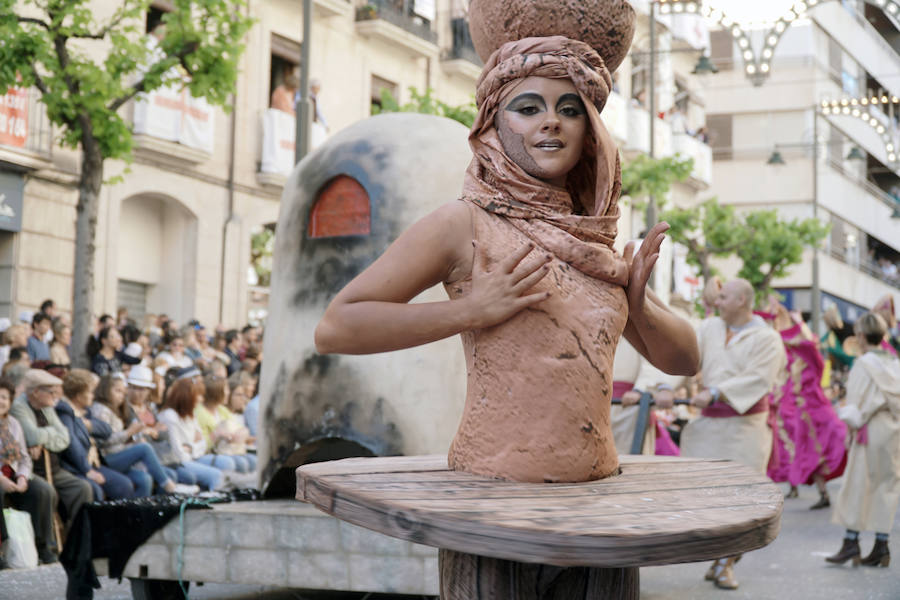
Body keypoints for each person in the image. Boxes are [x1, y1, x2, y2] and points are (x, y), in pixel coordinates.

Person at [315, 36, 699, 485]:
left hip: (597, 499)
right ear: (493, 124)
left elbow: (685, 362)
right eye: (529, 108)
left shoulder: (592, 240)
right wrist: (470, 312)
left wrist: (639, 304)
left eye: (570, 110)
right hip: (494, 492)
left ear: (590, 131)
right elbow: (336, 328)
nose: (552, 122)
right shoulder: (463, 224)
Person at [680, 279, 787, 590]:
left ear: (742, 300)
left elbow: (758, 379)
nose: (717, 300)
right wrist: (661, 386)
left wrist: (715, 393)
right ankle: (719, 555)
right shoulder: (709, 327)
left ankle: (728, 562)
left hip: (745, 430)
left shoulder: (768, 339)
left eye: (724, 296)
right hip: (707, 428)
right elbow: (684, 356)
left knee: (740, 501)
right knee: (706, 498)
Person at [826, 312, 900, 568]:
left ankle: (851, 542)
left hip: (868, 429)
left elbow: (855, 404)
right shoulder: (894, 361)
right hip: (892, 429)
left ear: (859, 335)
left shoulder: (864, 364)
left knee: (858, 483)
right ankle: (882, 544)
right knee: (887, 486)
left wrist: (849, 430)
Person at [766, 303, 847, 509]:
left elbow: (809, 344)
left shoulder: (812, 362)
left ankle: (848, 487)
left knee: (834, 446)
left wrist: (799, 322)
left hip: (818, 413)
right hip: (802, 416)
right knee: (807, 454)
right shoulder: (788, 364)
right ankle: (819, 493)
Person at [9, 369, 93, 536]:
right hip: (32, 469)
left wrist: (43, 439)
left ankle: (77, 539)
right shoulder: (20, 407)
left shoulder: (46, 406)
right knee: (47, 491)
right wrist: (46, 435)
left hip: (55, 469)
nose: (55, 396)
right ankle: (47, 544)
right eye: (51, 392)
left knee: (82, 488)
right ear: (35, 392)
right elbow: (32, 437)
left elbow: (65, 438)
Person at [90, 374, 187, 495]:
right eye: (117, 391)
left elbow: (132, 435)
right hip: (108, 458)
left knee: (145, 479)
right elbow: (104, 441)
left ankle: (151, 510)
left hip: (121, 452)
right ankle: (168, 486)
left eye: (123, 392)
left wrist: (135, 436)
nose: (121, 395)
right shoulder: (100, 409)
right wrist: (129, 432)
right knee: (144, 448)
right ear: (105, 390)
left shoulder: (117, 408)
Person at [0, 377, 57, 565]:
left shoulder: (14, 424)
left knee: (43, 489)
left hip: (15, 475)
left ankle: (43, 546)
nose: (1, 401)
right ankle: (3, 548)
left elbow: (24, 457)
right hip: (1, 478)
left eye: (5, 398)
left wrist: (23, 477)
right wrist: (2, 480)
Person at [55, 370, 136, 501]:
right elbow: (72, 443)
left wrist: (87, 424)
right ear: (78, 394)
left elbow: (106, 430)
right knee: (95, 489)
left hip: (91, 463)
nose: (93, 396)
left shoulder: (85, 411)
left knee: (124, 484)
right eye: (90, 392)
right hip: (75, 467)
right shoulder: (65, 411)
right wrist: (87, 470)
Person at [156, 373, 223, 490]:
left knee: (226, 465)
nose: (201, 399)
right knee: (217, 475)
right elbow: (178, 454)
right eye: (198, 395)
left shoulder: (191, 415)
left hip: (193, 457)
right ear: (187, 397)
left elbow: (203, 445)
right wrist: (194, 446)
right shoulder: (170, 416)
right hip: (178, 462)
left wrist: (190, 447)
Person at [194, 375, 255, 473]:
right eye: (225, 390)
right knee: (240, 463)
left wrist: (241, 432)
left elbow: (240, 428)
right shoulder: (199, 413)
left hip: (227, 451)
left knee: (253, 461)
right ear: (216, 393)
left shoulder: (221, 410)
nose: (228, 393)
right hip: (209, 453)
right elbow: (201, 445)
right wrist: (216, 435)